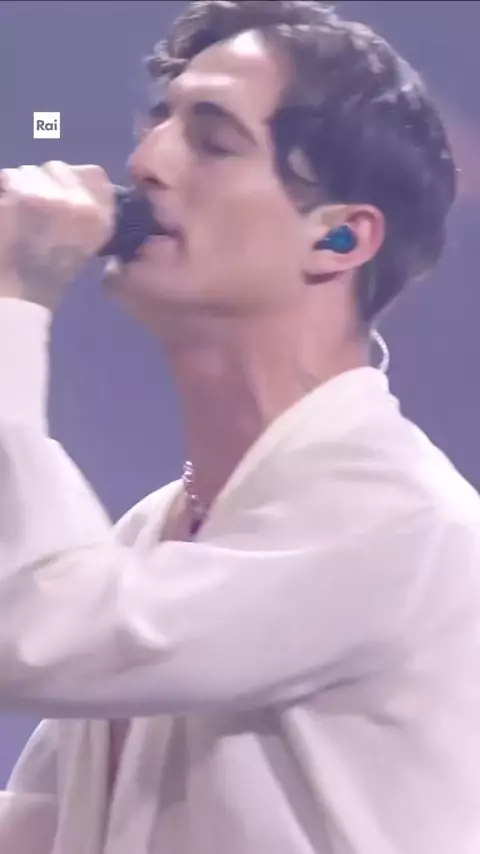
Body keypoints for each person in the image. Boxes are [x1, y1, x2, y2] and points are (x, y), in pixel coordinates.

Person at [0, 1, 479, 851]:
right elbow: (47, 827)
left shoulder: (399, 519)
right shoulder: (160, 529)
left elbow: (32, 630)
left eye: (213, 142)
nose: (145, 161)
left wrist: (14, 297)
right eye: (159, 123)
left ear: (340, 237)